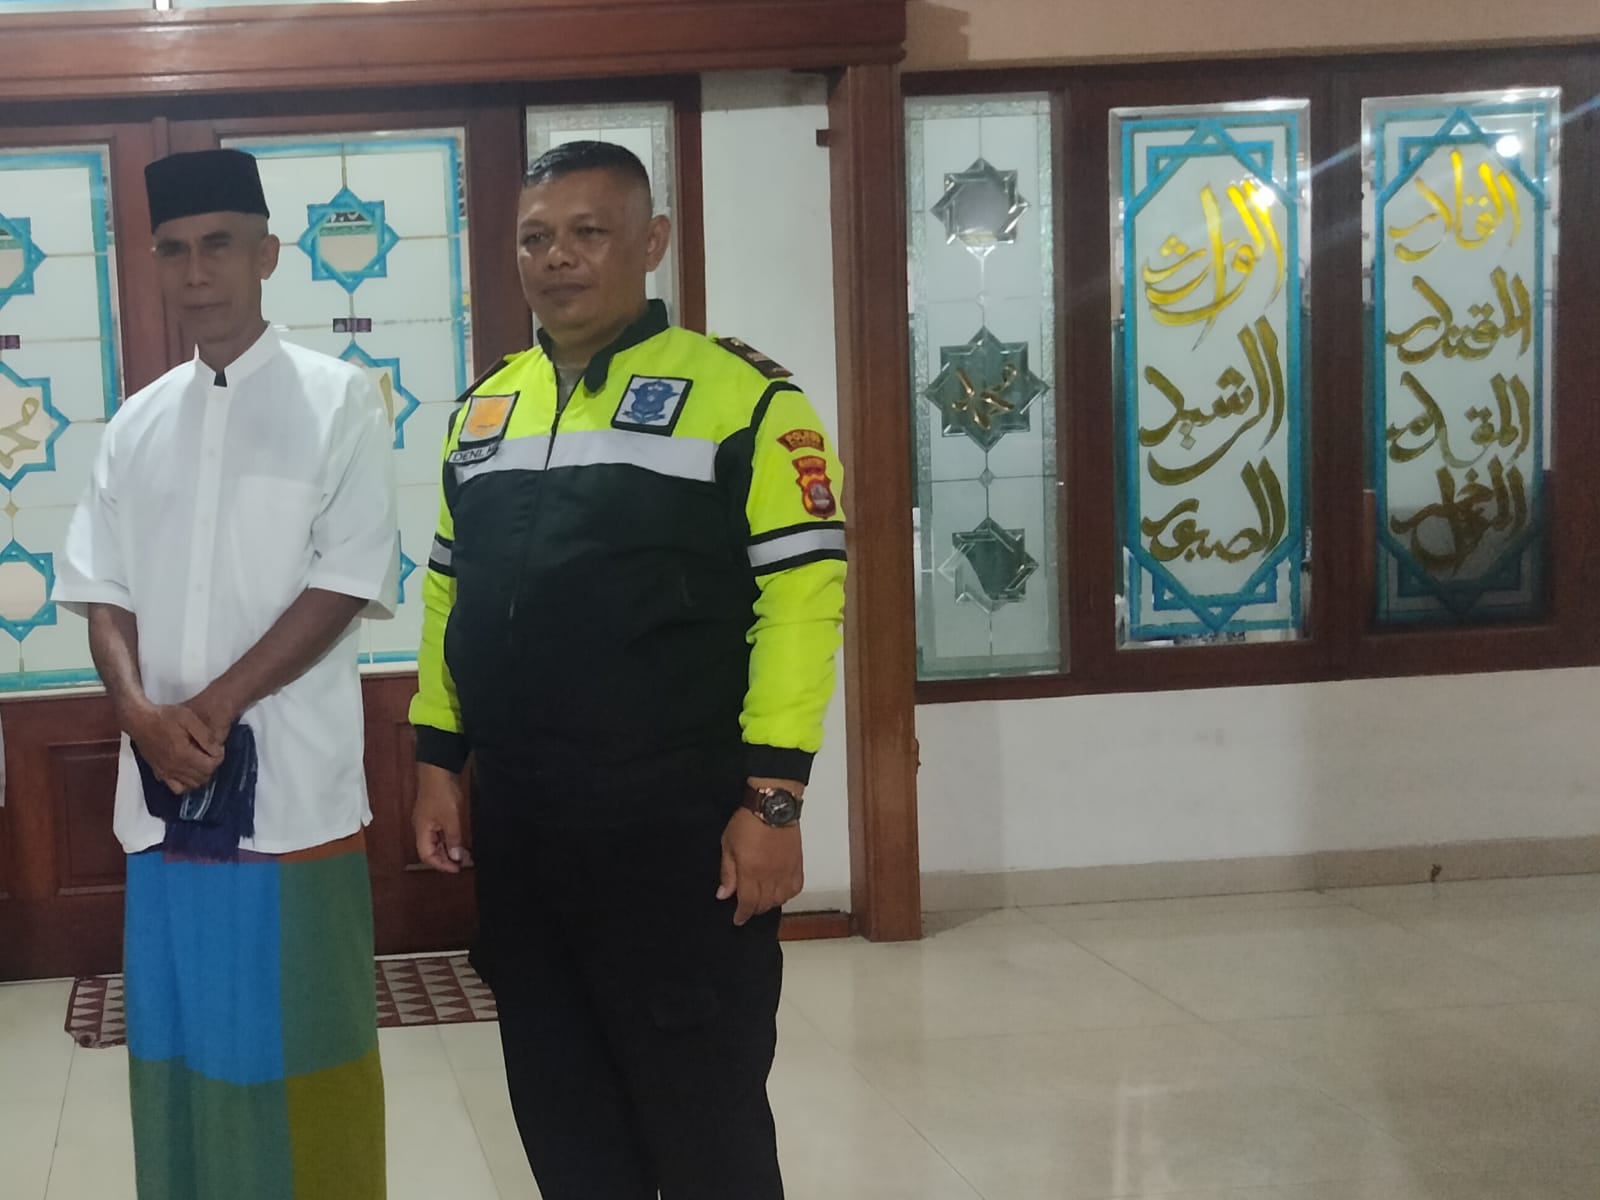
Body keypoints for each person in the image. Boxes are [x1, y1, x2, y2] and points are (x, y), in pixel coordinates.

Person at [409, 140, 847, 1199]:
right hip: (525, 825)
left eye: (588, 233)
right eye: (535, 238)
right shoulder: (485, 410)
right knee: (562, 1116)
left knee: (703, 1125)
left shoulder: (743, 398)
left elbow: (802, 603)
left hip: (678, 829)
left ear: (651, 242)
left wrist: (775, 800)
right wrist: (437, 757)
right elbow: (446, 594)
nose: (557, 258)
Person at [54, 148, 398, 1200]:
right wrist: (137, 713)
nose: (196, 272)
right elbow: (99, 586)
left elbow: (347, 580)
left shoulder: (340, 401)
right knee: (181, 1045)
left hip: (290, 797)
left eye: (218, 246)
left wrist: (207, 709)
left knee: (303, 1050)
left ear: (267, 255)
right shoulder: (137, 422)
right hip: (165, 801)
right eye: (173, 250)